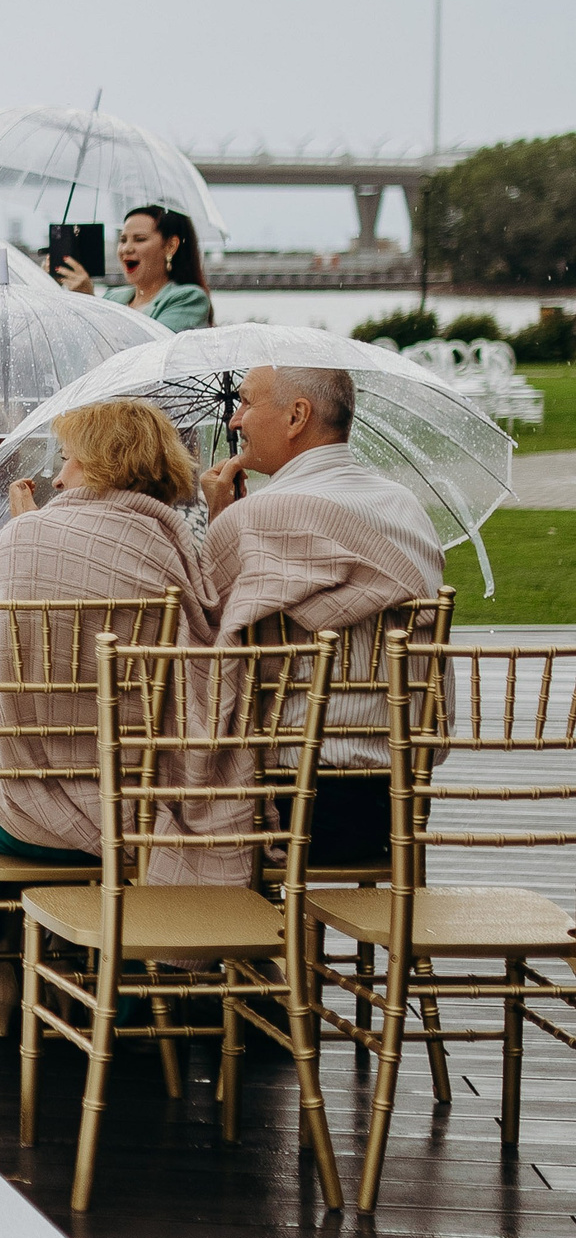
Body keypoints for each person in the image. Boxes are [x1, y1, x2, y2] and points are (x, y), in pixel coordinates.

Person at [0, 399, 227, 1028]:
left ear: (98, 463)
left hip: (23, 816)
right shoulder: (172, 549)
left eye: (68, 459)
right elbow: (198, 675)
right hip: (136, 807)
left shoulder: (25, 536)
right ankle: (70, 954)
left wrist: (23, 534)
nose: (58, 477)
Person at [197, 365, 445, 864]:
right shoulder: (404, 505)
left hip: (290, 802)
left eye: (245, 403)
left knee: (149, 798)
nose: (235, 422)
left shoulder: (260, 518)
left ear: (297, 415)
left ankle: (233, 937)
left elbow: (206, 641)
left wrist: (220, 518)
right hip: (395, 799)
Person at [51, 204, 213, 331]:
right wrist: (55, 289)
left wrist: (90, 302)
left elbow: (147, 355)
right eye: (123, 239)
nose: (126, 249)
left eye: (140, 239)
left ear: (171, 246)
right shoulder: (112, 298)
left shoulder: (189, 298)